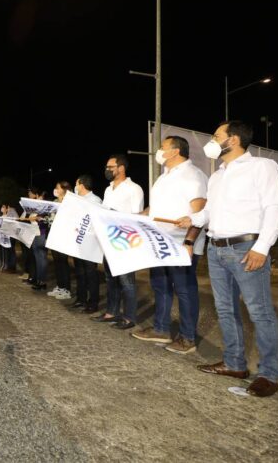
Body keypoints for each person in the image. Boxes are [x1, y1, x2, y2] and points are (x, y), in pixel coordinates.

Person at [176, 121, 278, 397]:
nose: (212, 141)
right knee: (225, 309)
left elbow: (275, 208)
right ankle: (235, 363)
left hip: (246, 247)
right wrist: (192, 219)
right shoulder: (217, 175)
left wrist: (262, 247)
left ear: (234, 139)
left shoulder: (262, 167)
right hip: (216, 249)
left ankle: (269, 374)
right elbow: (209, 213)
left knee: (259, 312)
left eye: (216, 136)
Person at [132, 136, 208, 354]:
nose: (159, 152)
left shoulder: (193, 176)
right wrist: (137, 216)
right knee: (160, 285)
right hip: (159, 242)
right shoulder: (164, 177)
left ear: (175, 151)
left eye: (162, 148)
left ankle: (187, 338)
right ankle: (161, 329)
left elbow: (200, 212)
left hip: (180, 244)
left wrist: (189, 241)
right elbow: (155, 208)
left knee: (184, 289)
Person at [92, 154, 144, 330]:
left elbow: (138, 217)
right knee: (111, 278)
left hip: (124, 240)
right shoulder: (108, 190)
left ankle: (129, 317)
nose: (107, 170)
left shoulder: (134, 189)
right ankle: (111, 312)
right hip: (108, 239)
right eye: (107, 167)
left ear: (121, 168)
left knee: (126, 281)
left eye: (110, 167)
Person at [70, 175, 103, 313]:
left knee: (90, 273)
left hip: (90, 242)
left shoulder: (95, 200)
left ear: (82, 185)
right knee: (79, 272)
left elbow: (97, 221)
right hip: (78, 242)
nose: (75, 187)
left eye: (76, 184)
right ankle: (81, 299)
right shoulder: (76, 200)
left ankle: (93, 302)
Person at [47, 181, 73, 300]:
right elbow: (50, 218)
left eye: (57, 187)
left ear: (64, 189)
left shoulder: (71, 201)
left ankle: (66, 289)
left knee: (63, 263)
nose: (55, 189)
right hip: (54, 235)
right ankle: (60, 286)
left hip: (64, 236)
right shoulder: (55, 202)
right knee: (57, 262)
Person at [1, 203, 19, 273]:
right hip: (6, 234)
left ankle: (12, 268)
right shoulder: (8, 212)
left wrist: (10, 210)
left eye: (4, 206)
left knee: (11, 251)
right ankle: (9, 267)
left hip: (11, 234)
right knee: (8, 251)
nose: (2, 208)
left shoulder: (11, 210)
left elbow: (17, 219)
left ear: (7, 206)